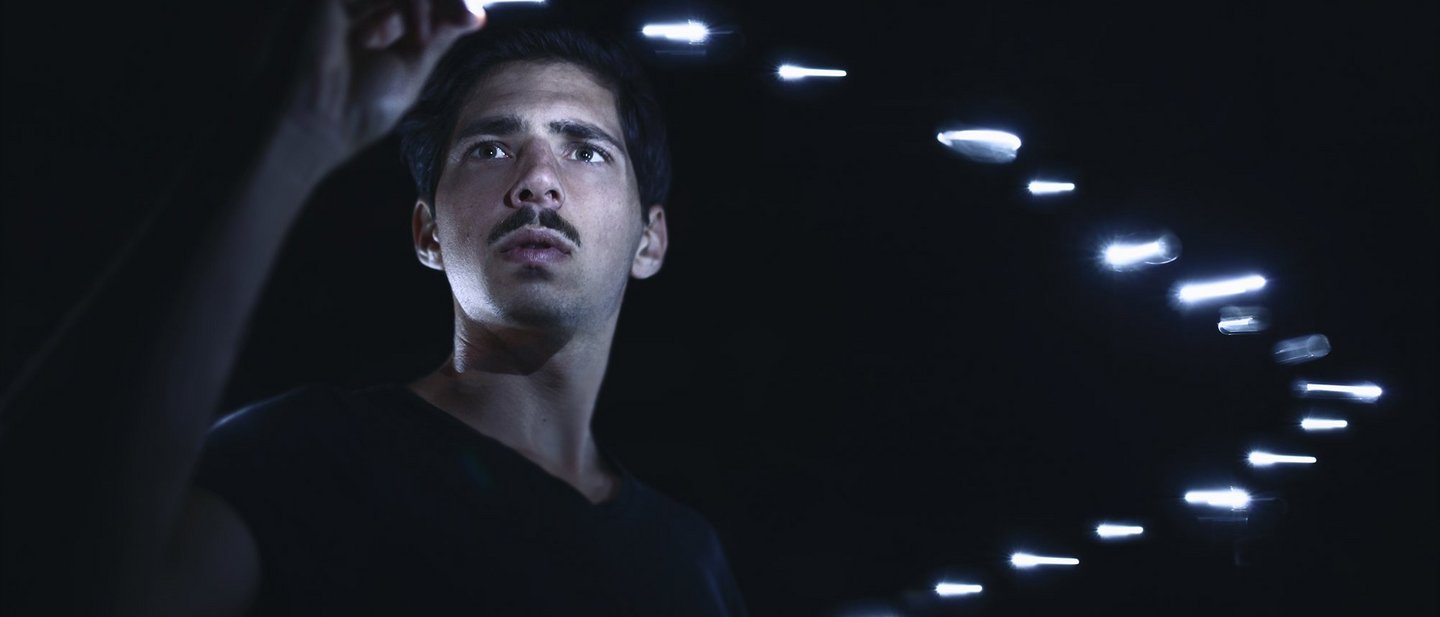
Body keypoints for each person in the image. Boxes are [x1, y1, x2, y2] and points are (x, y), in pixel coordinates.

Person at [0, 1, 746, 615]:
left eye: (585, 151)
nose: (537, 182)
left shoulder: (692, 558)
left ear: (650, 239)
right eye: (490, 148)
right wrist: (296, 132)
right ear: (426, 231)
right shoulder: (303, 456)